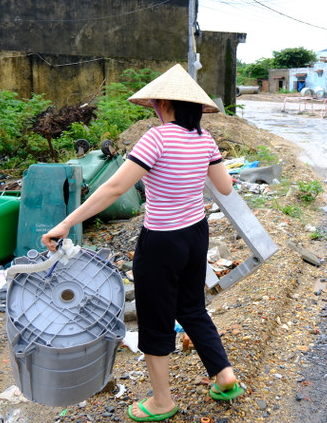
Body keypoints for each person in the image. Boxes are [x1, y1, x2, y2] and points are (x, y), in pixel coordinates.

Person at [41, 64, 244, 422]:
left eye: (154, 103)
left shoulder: (157, 137)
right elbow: (225, 187)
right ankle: (224, 375)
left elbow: (116, 188)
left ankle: (162, 402)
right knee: (192, 307)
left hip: (162, 241)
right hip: (196, 234)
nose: (153, 108)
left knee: (154, 319)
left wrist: (66, 224)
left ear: (165, 104)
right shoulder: (205, 139)